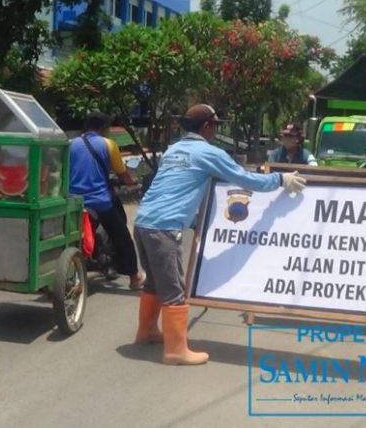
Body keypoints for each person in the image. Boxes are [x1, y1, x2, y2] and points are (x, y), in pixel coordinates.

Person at [133, 104, 307, 365]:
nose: (216, 131)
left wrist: (195, 221)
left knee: (154, 284)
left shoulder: (173, 150)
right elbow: (245, 180)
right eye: (215, 126)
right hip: (163, 228)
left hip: (143, 221)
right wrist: (280, 181)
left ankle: (146, 331)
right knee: (174, 291)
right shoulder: (208, 153)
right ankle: (175, 351)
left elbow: (175, 190)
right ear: (206, 127)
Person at [69, 111, 145, 289]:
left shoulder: (71, 144)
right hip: (99, 201)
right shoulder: (108, 144)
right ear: (104, 128)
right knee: (122, 236)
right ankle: (134, 278)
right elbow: (122, 172)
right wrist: (132, 180)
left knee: (72, 237)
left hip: (74, 200)